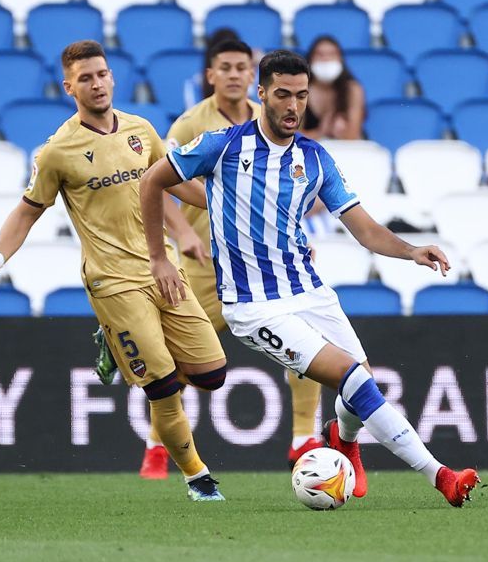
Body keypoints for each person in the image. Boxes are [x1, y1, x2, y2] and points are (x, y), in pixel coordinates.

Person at [138, 50, 480, 507]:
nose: (293, 106)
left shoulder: (315, 159)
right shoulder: (222, 144)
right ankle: (441, 476)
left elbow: (364, 228)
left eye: (301, 95)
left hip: (309, 291)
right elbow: (151, 181)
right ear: (262, 95)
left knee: (364, 385)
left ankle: (341, 437)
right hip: (253, 304)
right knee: (350, 377)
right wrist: (161, 259)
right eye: (282, 94)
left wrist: (411, 251)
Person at [0, 40, 229, 502]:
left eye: (101, 74)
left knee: (211, 375)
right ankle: (197, 477)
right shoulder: (57, 152)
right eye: (85, 78)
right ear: (69, 87)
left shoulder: (142, 130)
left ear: (112, 77)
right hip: (111, 280)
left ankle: (116, 344)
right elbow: (27, 211)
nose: (97, 83)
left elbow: (177, 184)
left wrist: (235, 204)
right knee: (163, 387)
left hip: (162, 266)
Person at [96, 38, 326, 479]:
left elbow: (281, 195)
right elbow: (155, 180)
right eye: (227, 67)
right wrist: (182, 233)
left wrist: (293, 236)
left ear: (256, 81)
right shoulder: (189, 125)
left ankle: (302, 438)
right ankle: (157, 447)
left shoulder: (273, 121)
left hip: (262, 264)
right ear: (211, 75)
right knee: (185, 363)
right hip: (204, 264)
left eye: (243, 66)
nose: (236, 74)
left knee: (309, 338)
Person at [300, 36, 365, 140]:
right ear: (310, 59)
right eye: (320, 55)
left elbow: (353, 135)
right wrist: (321, 132)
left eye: (332, 54)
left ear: (340, 59)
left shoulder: (352, 90)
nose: (326, 59)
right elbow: (293, 138)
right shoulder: (300, 90)